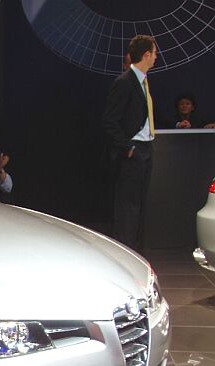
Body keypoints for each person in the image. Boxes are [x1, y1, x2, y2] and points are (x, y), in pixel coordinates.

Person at [102, 34, 158, 251]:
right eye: (154, 53)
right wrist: (128, 148)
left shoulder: (143, 81)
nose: (156, 58)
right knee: (128, 208)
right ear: (146, 55)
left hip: (146, 149)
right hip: (133, 152)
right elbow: (109, 121)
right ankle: (126, 253)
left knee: (140, 206)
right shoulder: (125, 82)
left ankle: (137, 253)